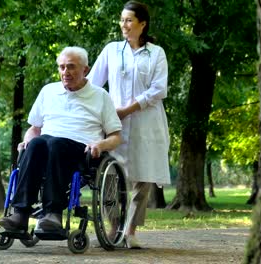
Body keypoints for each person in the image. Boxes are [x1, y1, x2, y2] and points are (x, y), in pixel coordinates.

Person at [0, 46, 122, 232]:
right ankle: (20, 213)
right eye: (62, 67)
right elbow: (34, 128)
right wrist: (27, 140)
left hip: (81, 151)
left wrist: (100, 144)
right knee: (37, 142)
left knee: (55, 143)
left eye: (71, 67)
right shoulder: (48, 91)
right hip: (46, 146)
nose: (66, 72)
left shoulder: (100, 96)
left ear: (85, 70)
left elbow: (115, 136)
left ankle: (53, 213)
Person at [87, 1, 171, 249]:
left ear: (142, 24)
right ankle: (114, 228)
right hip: (115, 123)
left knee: (142, 179)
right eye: (122, 20)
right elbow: (92, 83)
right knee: (112, 174)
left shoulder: (156, 53)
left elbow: (158, 89)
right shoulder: (112, 50)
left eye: (129, 20)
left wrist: (127, 109)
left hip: (147, 122)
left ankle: (131, 231)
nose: (124, 25)